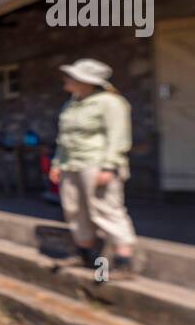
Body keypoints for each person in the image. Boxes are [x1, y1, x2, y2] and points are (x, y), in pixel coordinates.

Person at [48, 58, 138, 278]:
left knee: (106, 209)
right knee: (75, 209)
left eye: (71, 76)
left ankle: (123, 261)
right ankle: (85, 253)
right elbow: (64, 137)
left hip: (96, 163)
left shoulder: (110, 103)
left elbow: (118, 136)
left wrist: (109, 166)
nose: (66, 80)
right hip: (72, 164)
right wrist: (57, 162)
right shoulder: (71, 104)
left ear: (85, 81)